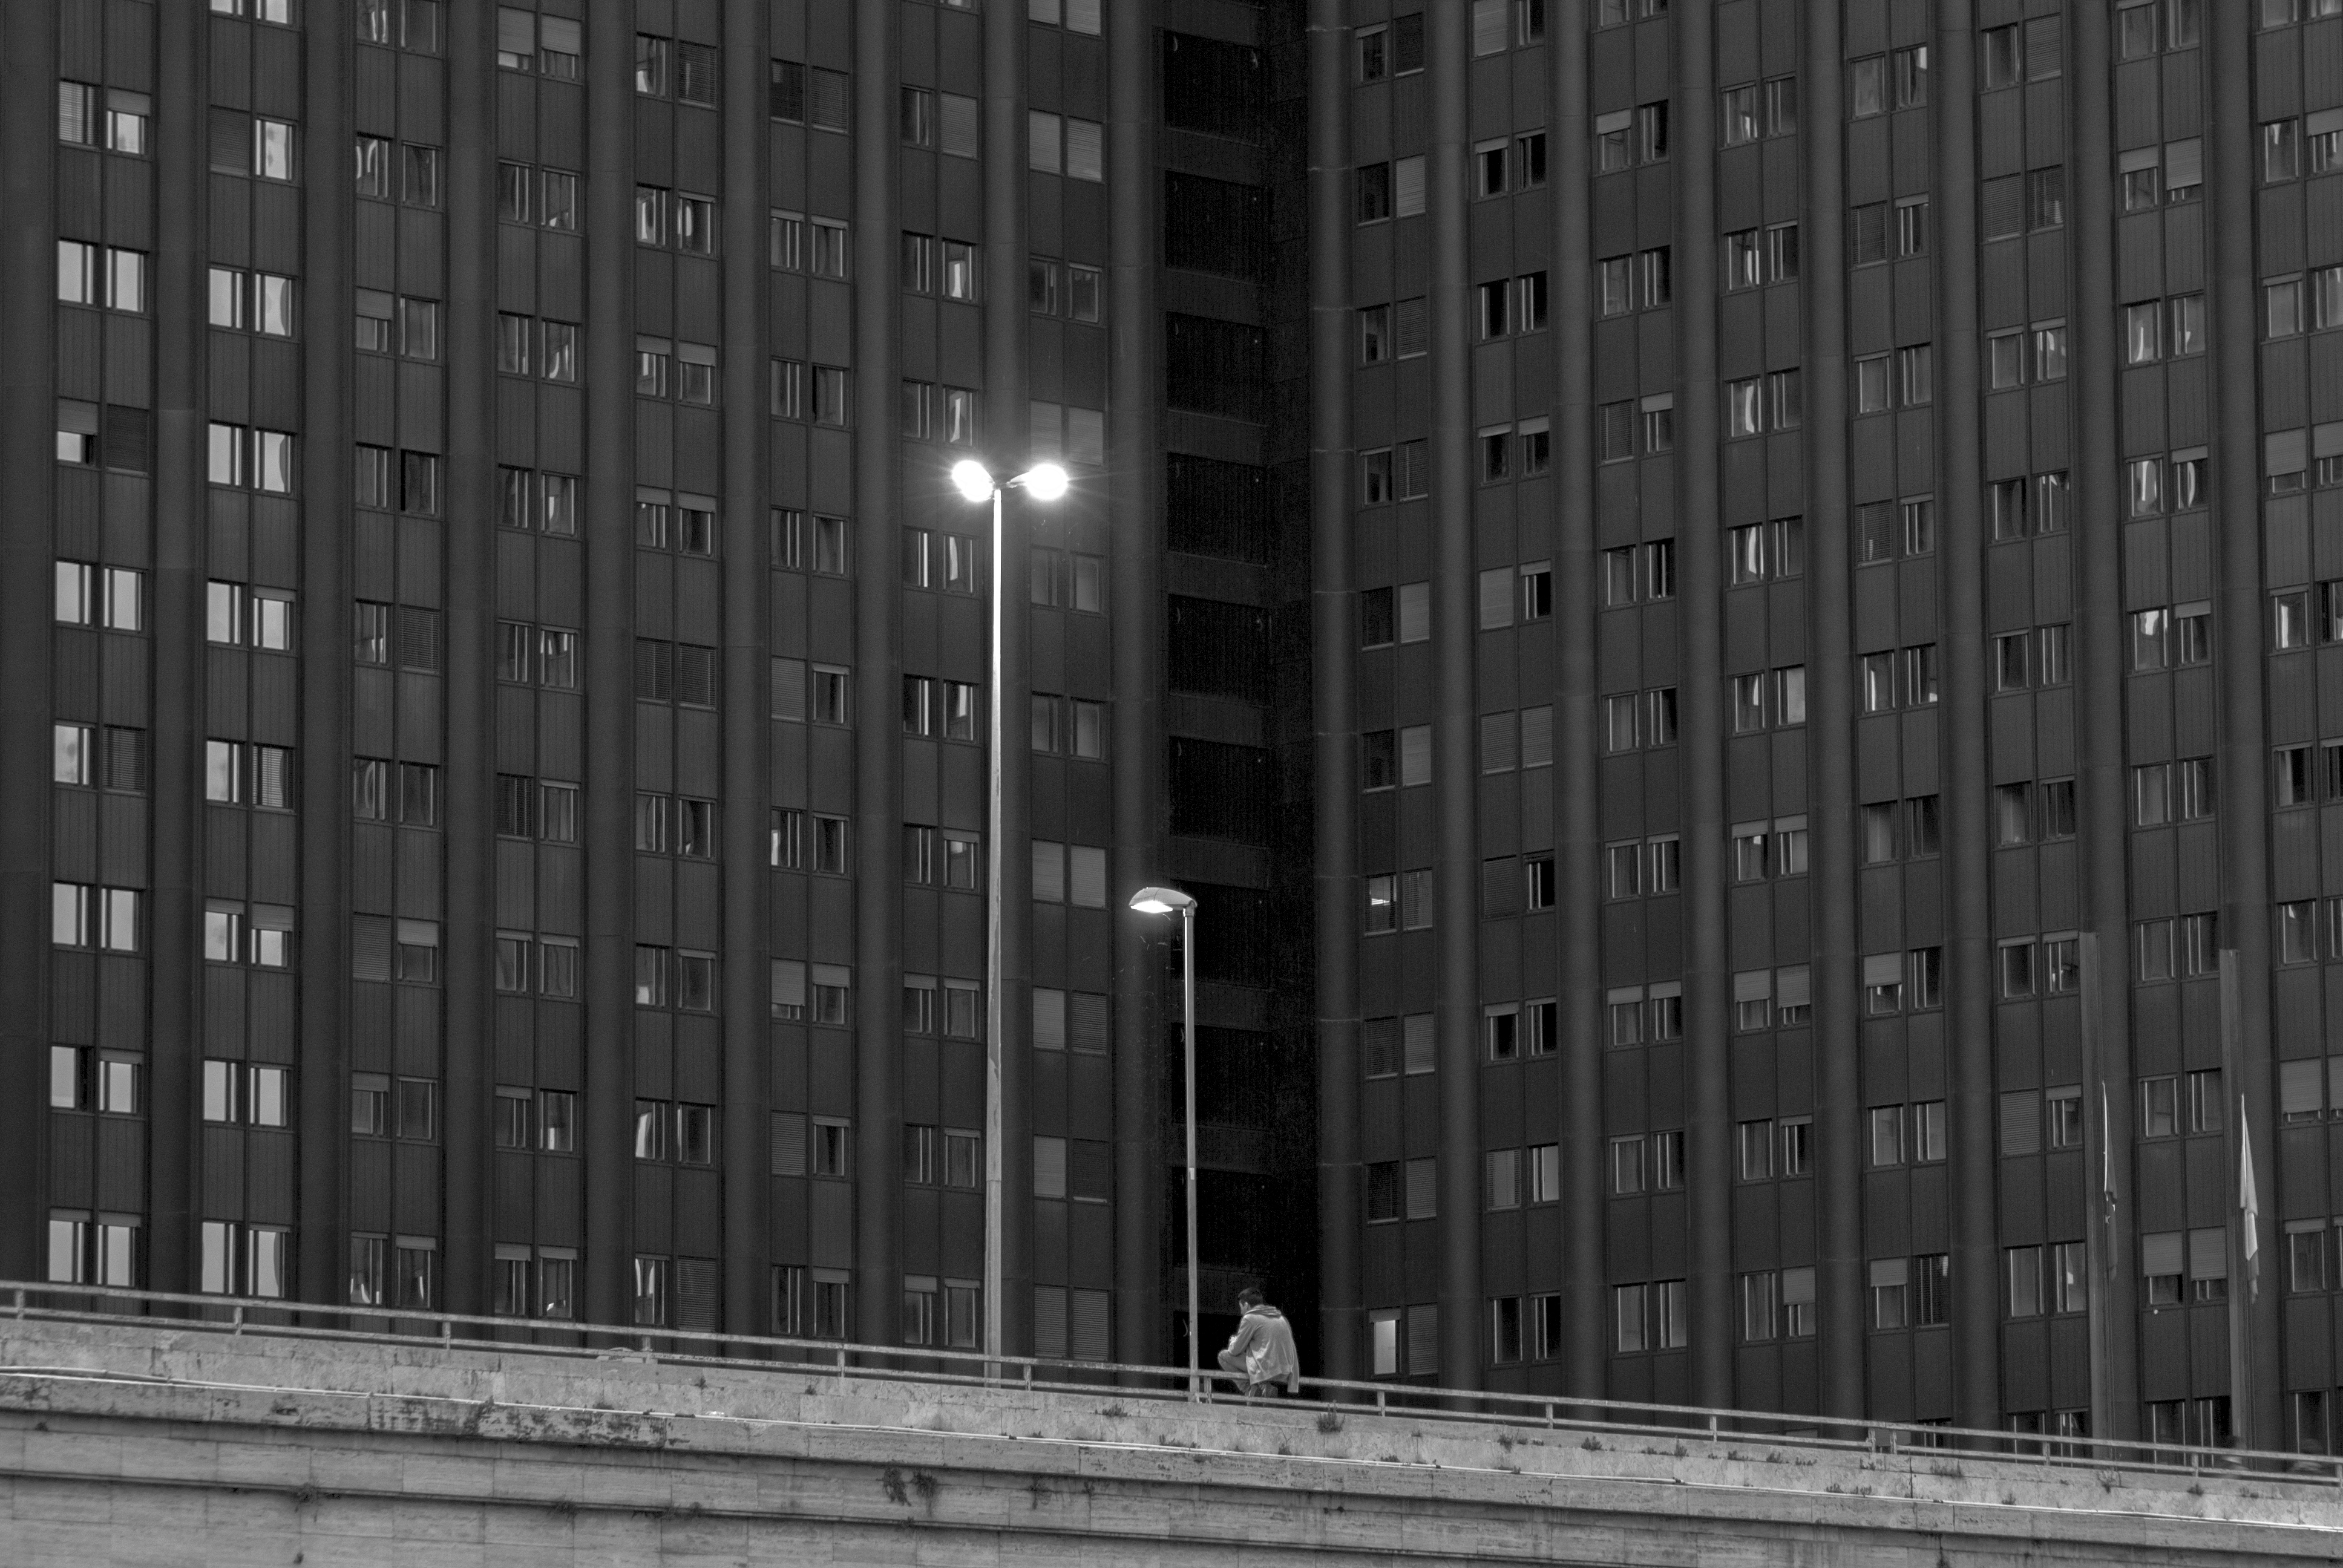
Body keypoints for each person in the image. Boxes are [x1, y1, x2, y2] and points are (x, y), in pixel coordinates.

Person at [1215, 1286, 1300, 1399]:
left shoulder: (1250, 1318)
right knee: (1254, 1352)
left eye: (1241, 1307)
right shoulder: (1281, 1318)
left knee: (1223, 1356)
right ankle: (1263, 1386)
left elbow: (1235, 1350)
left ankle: (1250, 1389)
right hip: (1286, 1371)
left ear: (1246, 1305)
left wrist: (1233, 1342)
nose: (1241, 1312)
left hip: (1268, 1371)